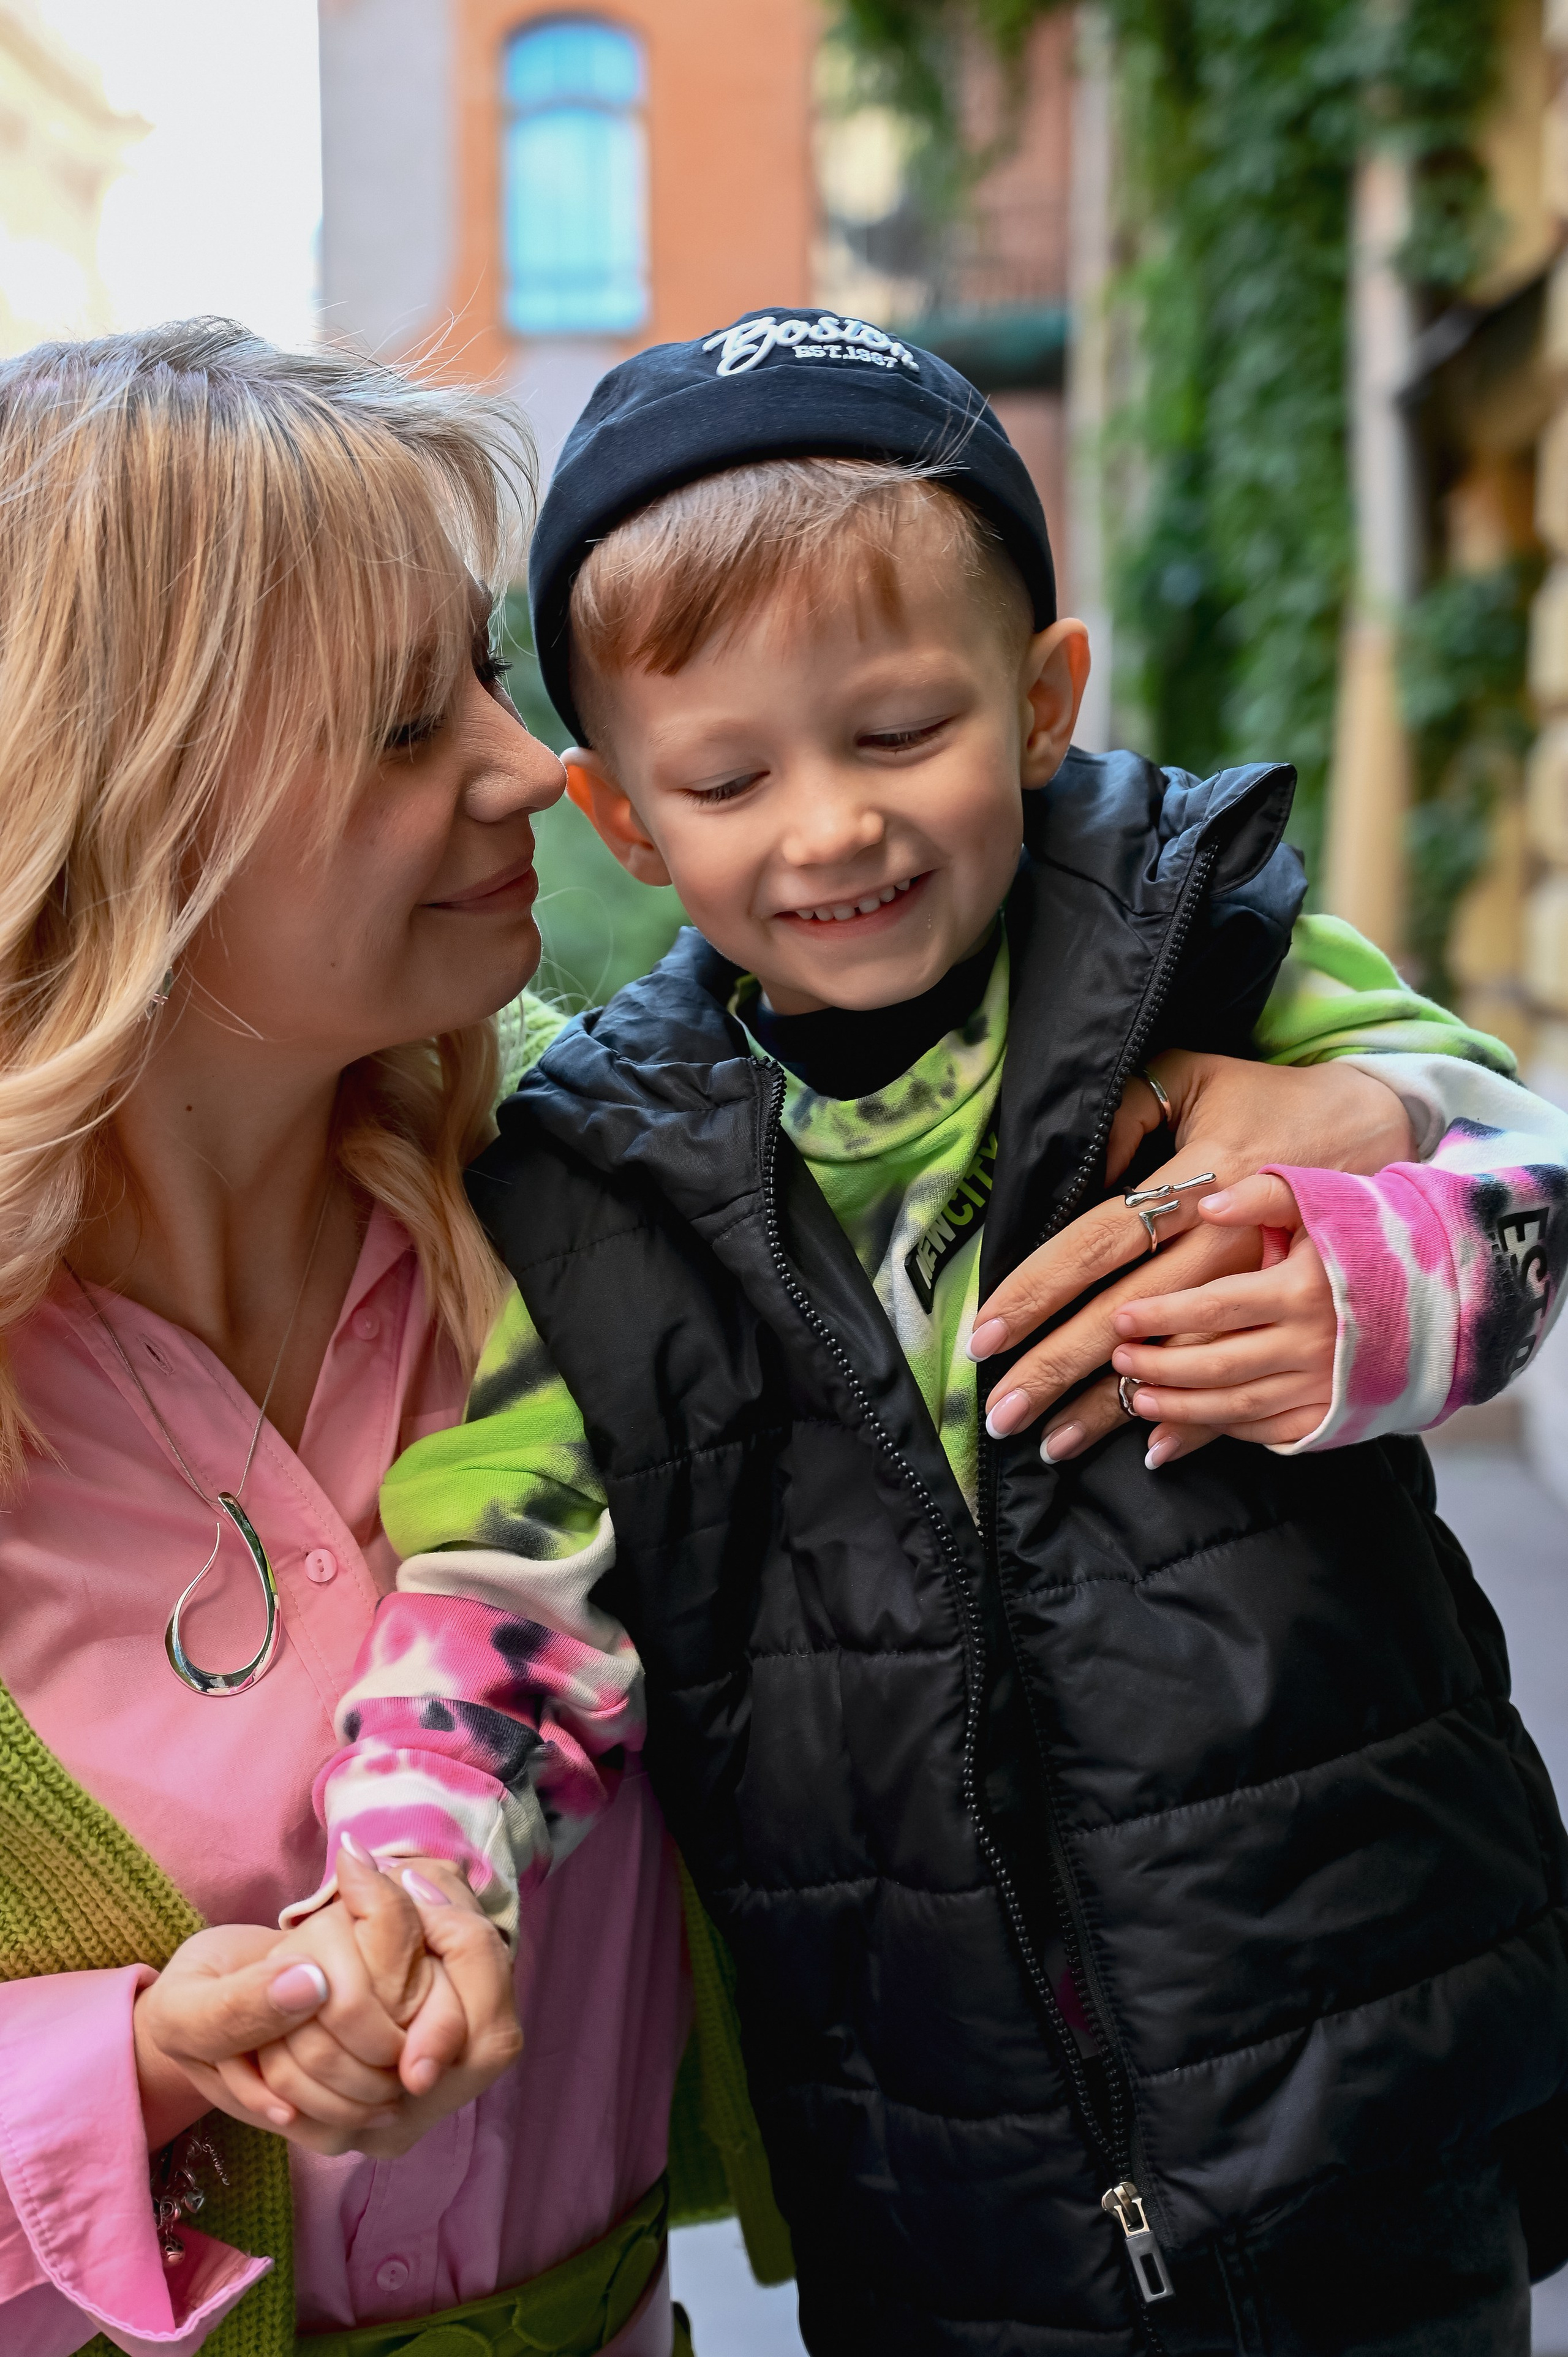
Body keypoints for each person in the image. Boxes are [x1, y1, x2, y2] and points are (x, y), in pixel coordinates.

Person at [315, 311, 1568, 2356]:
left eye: (901, 732)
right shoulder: (591, 1190)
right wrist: (413, 1850)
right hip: (933, 2154)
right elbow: (500, 1579)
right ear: (622, 820)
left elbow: (1519, 1167)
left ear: (1044, 695)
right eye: (727, 776)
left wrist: (1364, 1281)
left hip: (1364, 2066)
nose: (829, 828)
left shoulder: (1205, 942)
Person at [0, 321, 690, 2357]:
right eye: (408, 724)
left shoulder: (614, 1186)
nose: (526, 765)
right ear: (130, 810)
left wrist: (1308, 1118)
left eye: (483, 674)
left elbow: (1006, 1038)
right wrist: (125, 2058)